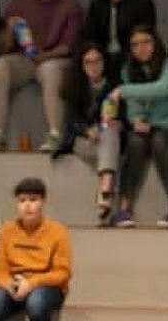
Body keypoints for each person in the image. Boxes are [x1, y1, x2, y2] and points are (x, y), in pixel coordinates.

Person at [0, 0, 81, 153]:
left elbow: (69, 46)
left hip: (56, 59)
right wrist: (9, 29)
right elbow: (4, 48)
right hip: (27, 59)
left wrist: (44, 56)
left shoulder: (69, 4)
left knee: (49, 71)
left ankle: (55, 134)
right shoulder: (20, 2)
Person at [106, 26, 168, 228]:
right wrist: (137, 119)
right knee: (135, 142)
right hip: (148, 128)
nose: (141, 48)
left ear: (156, 42)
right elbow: (135, 106)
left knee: (160, 140)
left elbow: (163, 88)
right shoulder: (129, 69)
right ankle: (124, 208)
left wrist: (122, 91)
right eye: (135, 45)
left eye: (146, 42)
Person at [0, 178, 71, 321]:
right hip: (14, 285)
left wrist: (32, 283)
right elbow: (0, 269)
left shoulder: (57, 231)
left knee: (36, 303)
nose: (27, 206)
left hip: (46, 286)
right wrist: (9, 284)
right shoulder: (7, 230)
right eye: (22, 201)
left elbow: (62, 272)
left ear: (43, 201)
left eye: (33, 200)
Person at [51, 43, 121, 224]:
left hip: (108, 138)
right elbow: (70, 122)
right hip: (83, 142)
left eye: (97, 61)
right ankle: (106, 189)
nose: (93, 66)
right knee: (107, 139)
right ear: (82, 66)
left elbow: (124, 118)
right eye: (88, 62)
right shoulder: (74, 88)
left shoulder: (115, 87)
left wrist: (116, 122)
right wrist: (86, 130)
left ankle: (105, 188)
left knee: (110, 132)